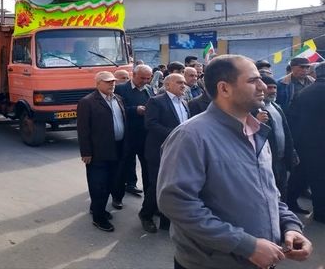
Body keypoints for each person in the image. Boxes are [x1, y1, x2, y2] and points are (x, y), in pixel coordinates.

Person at [157, 55, 312, 269]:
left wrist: (290, 226)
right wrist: (246, 246)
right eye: (252, 81)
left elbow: (269, 193)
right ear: (224, 88)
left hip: (261, 260)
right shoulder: (191, 136)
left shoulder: (256, 131)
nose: (263, 86)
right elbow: (177, 203)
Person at [77, 71, 128, 232]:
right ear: (98, 83)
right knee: (98, 185)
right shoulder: (88, 102)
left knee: (110, 182)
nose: (112, 84)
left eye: (113, 81)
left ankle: (99, 210)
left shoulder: (118, 99)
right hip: (98, 151)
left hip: (117, 148)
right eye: (107, 82)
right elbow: (83, 130)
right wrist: (86, 152)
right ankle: (98, 218)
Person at [141, 73, 188, 233]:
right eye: (179, 82)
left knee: (171, 185)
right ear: (167, 85)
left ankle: (166, 220)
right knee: (157, 185)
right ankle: (145, 215)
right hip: (158, 151)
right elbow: (151, 124)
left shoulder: (184, 103)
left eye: (184, 82)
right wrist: (175, 134)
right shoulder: (156, 101)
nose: (183, 85)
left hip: (178, 152)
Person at [287, 62, 325, 223]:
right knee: (319, 178)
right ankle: (321, 213)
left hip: (305, 141)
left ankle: (290, 201)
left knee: (305, 174)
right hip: (319, 142)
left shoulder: (304, 92)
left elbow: (291, 117)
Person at [277, 57, 314, 214]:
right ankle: (289, 200)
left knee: (305, 165)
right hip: (289, 126)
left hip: (308, 128)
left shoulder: (312, 82)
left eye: (307, 67)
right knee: (294, 165)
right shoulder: (282, 84)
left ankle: (301, 190)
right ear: (292, 67)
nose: (305, 70)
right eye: (302, 67)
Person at [114, 64, 154, 207]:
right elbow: (117, 109)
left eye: (148, 78)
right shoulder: (120, 89)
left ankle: (150, 201)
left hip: (145, 136)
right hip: (127, 136)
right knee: (122, 167)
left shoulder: (149, 89)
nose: (145, 81)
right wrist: (134, 110)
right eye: (142, 78)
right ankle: (117, 197)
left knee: (148, 169)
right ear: (134, 75)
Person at [254, 75, 298, 201]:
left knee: (282, 192)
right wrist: (257, 122)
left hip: (281, 160)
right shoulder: (254, 110)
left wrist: (292, 152)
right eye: (269, 87)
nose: (273, 90)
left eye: (274, 87)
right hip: (267, 161)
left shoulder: (276, 107)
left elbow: (286, 132)